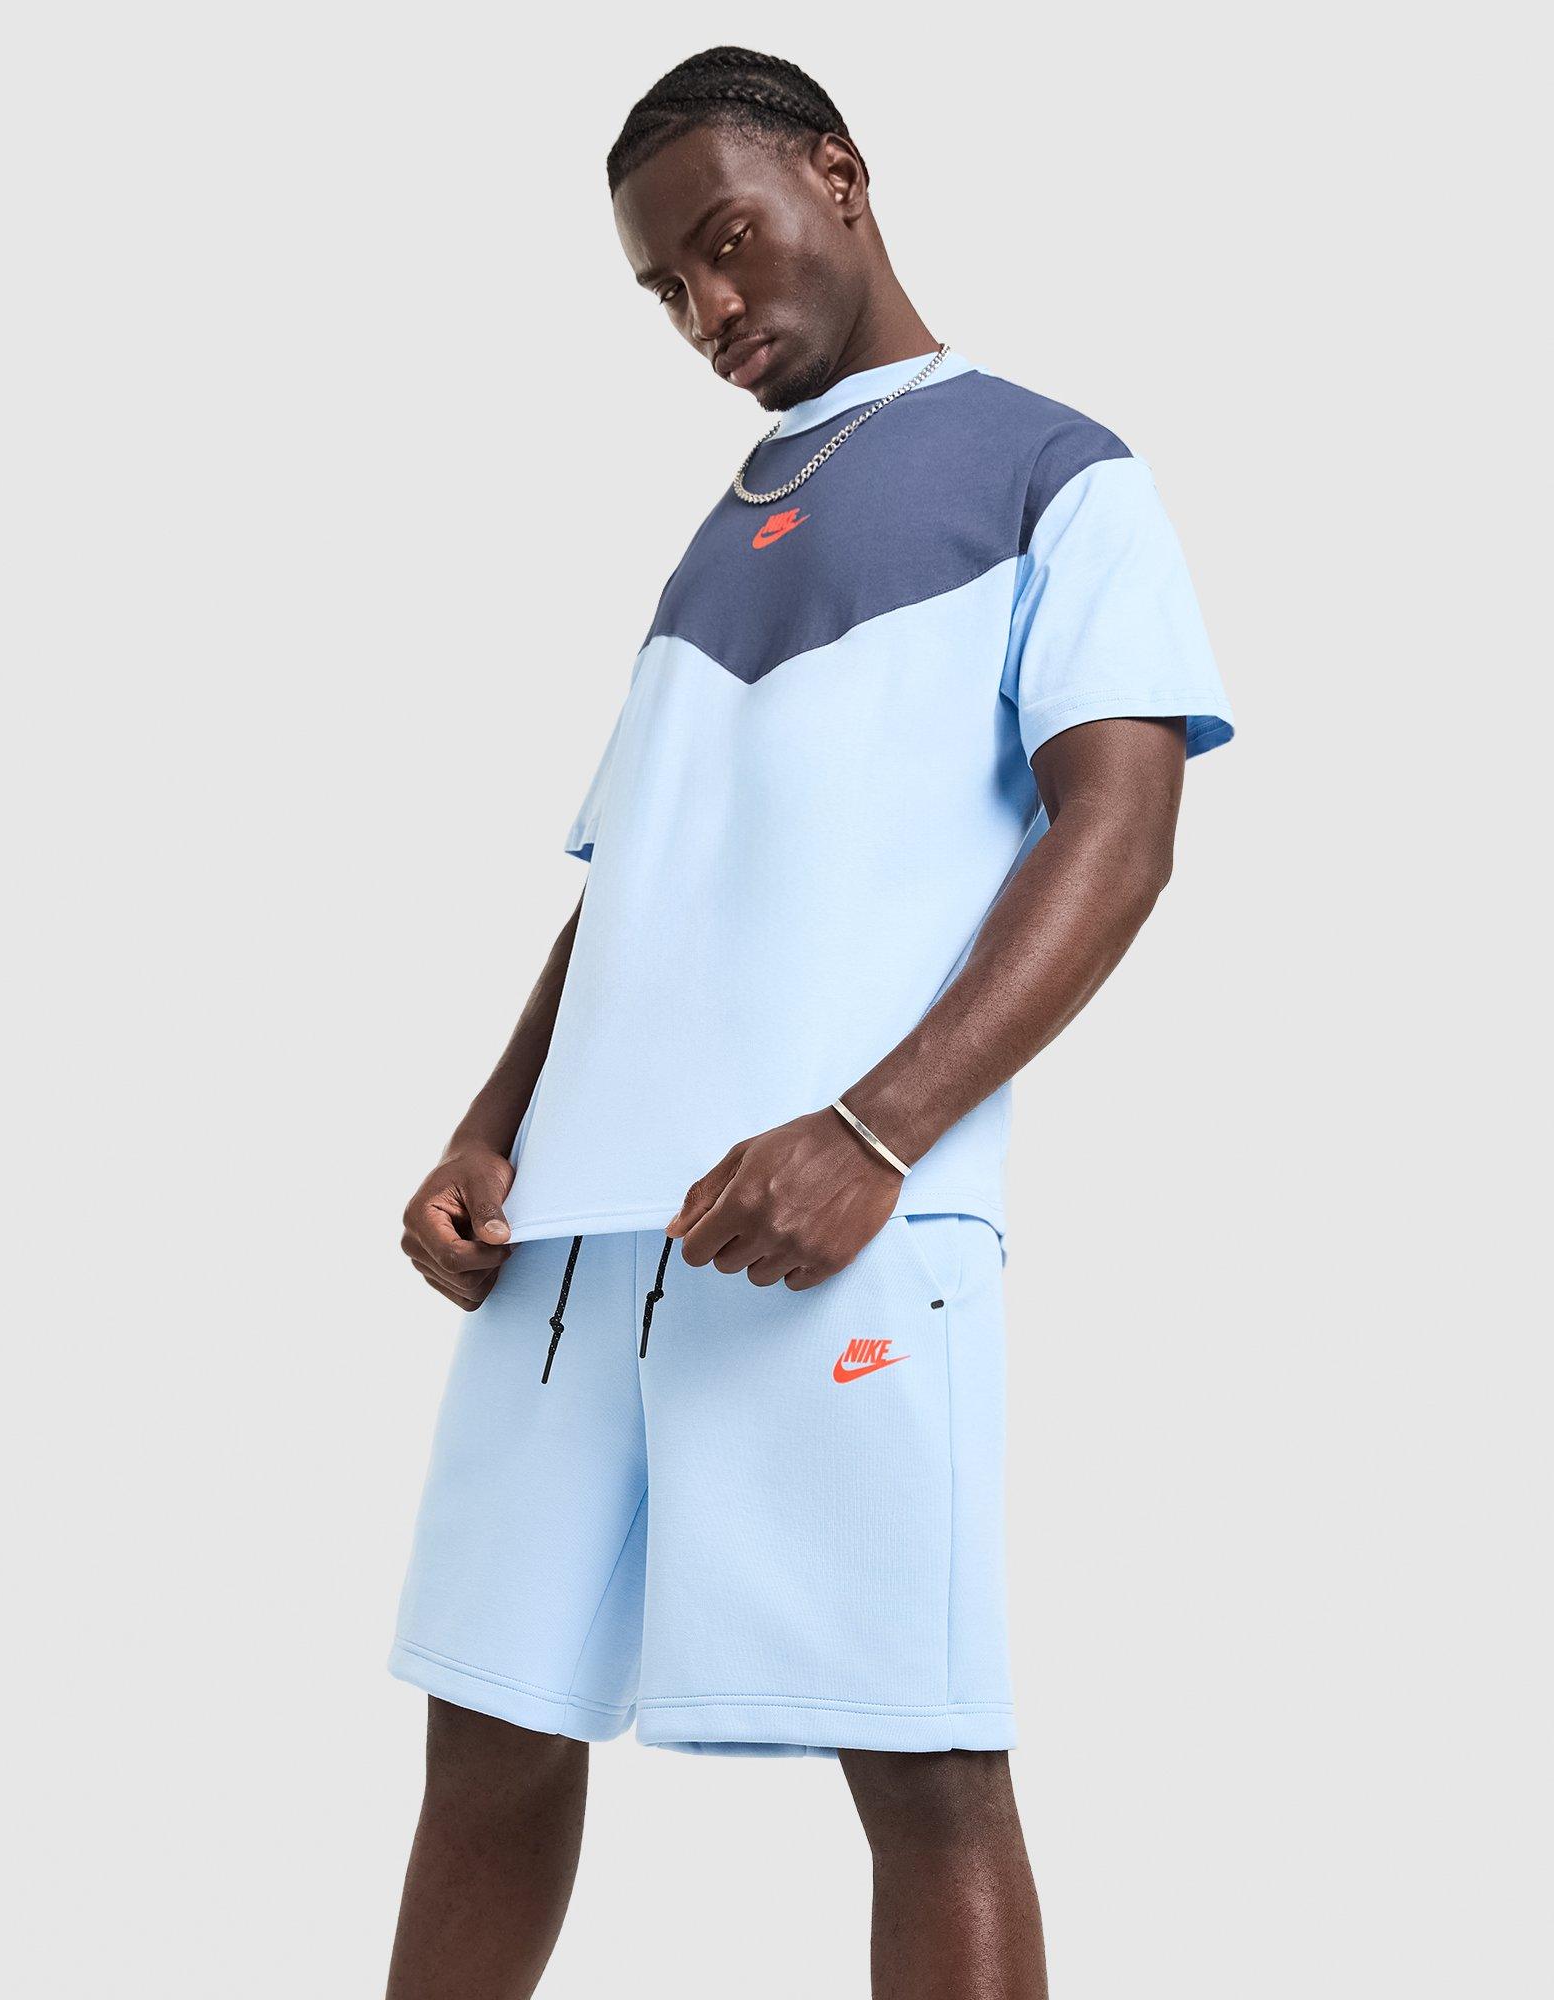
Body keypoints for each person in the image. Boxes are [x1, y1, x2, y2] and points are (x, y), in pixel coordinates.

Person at [386, 45, 1233, 2000]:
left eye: (727, 242)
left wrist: (871, 1133)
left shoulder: (1054, 466)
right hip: (569, 1252)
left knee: (921, 1763)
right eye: (663, 289)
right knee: (488, 1741)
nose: (706, 308)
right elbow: (632, 881)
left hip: (834, 1226)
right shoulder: (719, 531)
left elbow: (1119, 835)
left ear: (838, 175)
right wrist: (487, 1125)